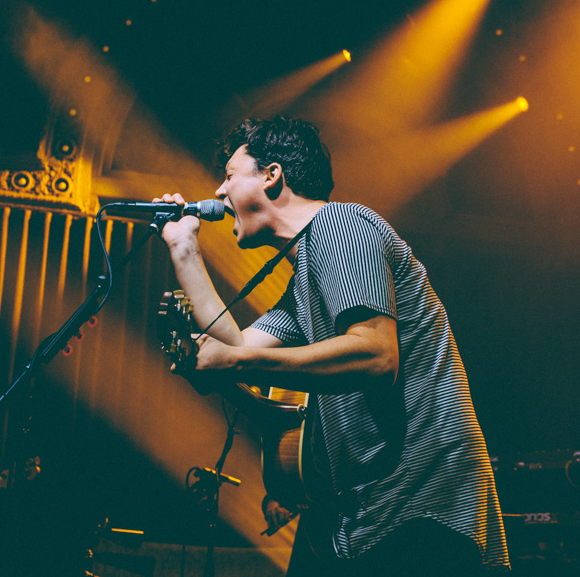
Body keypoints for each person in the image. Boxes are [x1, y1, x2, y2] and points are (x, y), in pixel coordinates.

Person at [156, 116, 509, 574]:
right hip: (365, 514)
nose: (220, 193)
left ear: (272, 175)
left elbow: (376, 354)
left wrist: (235, 359)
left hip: (423, 506)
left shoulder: (341, 226)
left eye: (228, 176)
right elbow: (239, 345)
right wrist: (183, 248)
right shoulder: (305, 271)